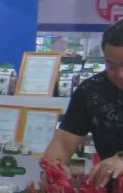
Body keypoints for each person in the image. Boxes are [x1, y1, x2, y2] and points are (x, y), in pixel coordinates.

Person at [45, 22, 123, 183]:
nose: (119, 74)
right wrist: (54, 168)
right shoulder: (92, 90)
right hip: (110, 191)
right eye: (111, 65)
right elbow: (64, 142)